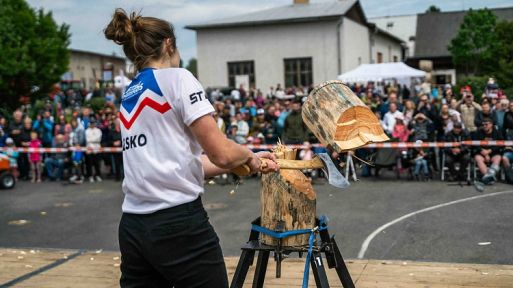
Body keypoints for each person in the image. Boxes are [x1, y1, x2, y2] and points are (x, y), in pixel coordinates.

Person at [104, 9, 278, 288]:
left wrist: (246, 162)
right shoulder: (178, 78)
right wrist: (246, 154)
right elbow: (220, 152)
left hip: (134, 226)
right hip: (177, 223)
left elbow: (186, 164)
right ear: (168, 44)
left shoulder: (131, 93)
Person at [473, 117, 503, 184]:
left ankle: (488, 177)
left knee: (498, 158)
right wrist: (483, 152)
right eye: (483, 124)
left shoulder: (497, 132)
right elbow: (474, 144)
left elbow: (501, 144)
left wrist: (490, 151)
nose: (484, 126)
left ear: (491, 124)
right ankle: (488, 176)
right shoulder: (478, 132)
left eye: (486, 124)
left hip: (493, 152)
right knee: (478, 159)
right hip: (481, 152)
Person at [85, 118, 102, 182]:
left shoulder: (98, 130)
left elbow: (98, 139)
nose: (92, 124)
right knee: (89, 164)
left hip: (97, 148)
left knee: (97, 163)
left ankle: (98, 175)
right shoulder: (86, 131)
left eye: (93, 123)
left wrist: (92, 140)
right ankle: (90, 176)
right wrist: (93, 141)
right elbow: (88, 140)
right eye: (91, 123)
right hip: (89, 149)